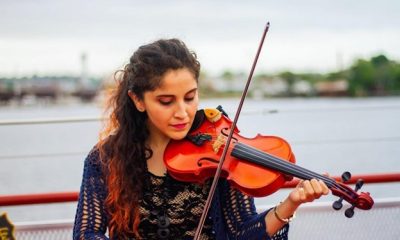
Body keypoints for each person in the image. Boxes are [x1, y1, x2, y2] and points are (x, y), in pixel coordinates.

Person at [73, 38, 329, 240]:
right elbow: (87, 234)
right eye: (166, 101)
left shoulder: (220, 151)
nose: (182, 113)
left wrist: (292, 203)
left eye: (190, 97)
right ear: (138, 100)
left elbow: (241, 233)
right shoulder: (105, 158)